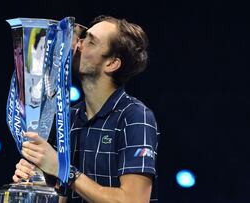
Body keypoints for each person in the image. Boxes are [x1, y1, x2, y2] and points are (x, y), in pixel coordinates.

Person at [12, 15, 159, 203]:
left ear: (112, 63)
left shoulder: (135, 116)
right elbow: (61, 195)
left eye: (91, 41)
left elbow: (134, 200)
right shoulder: (68, 118)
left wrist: (63, 169)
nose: (78, 45)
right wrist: (38, 178)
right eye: (83, 38)